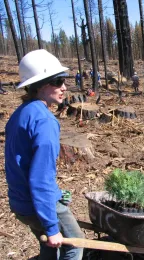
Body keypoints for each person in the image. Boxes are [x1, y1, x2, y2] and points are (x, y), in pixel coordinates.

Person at [5, 49, 84, 259]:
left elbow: (20, 165)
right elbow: (40, 178)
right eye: (58, 81)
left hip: (20, 202)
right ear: (40, 85)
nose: (64, 87)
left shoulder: (21, 113)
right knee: (75, 245)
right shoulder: (45, 121)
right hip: (36, 203)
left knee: (50, 248)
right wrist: (50, 225)